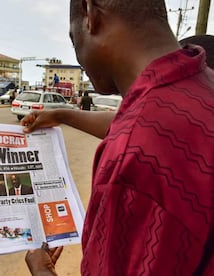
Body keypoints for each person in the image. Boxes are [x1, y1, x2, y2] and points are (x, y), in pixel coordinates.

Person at [23, 0, 214, 275]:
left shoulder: (132, 159)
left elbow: (137, 129)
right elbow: (133, 119)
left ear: (90, 15)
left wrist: (42, 271)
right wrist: (63, 115)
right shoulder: (200, 84)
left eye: (72, 36)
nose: (77, 53)